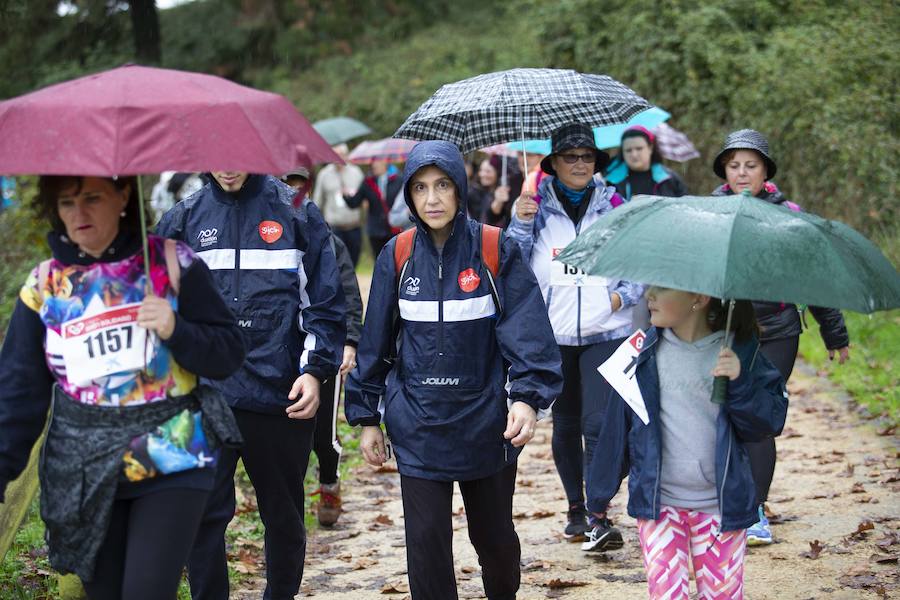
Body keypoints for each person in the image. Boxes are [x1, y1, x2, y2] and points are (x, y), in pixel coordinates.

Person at [0, 175, 246, 599]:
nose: (79, 214)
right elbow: (18, 394)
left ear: (122, 196)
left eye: (92, 198)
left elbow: (227, 354)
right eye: (66, 203)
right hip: (84, 467)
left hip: (171, 454)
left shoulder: (173, 263)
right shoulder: (43, 288)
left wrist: (177, 329)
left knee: (146, 592)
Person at [345, 140, 563, 600]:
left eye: (442, 184)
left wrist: (525, 397)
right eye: (420, 188)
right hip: (419, 425)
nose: (432, 199)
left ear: (460, 188)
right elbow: (375, 345)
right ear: (408, 195)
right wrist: (367, 417)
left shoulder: (494, 248)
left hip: (485, 423)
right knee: (425, 548)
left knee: (495, 543)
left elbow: (527, 332)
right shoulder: (397, 255)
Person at [157, 171, 346, 600]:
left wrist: (314, 372)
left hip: (281, 396)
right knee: (202, 517)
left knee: (282, 516)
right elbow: (160, 308)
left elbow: (325, 303)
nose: (228, 165)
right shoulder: (181, 220)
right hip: (208, 396)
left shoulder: (297, 213)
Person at [586, 286, 788, 598]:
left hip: (721, 507)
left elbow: (767, 423)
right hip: (659, 505)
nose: (648, 296)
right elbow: (615, 430)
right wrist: (598, 496)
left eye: (661, 289)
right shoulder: (639, 353)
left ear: (699, 298)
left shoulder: (738, 351)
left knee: (721, 594)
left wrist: (740, 383)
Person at [507, 123, 644, 548]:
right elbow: (513, 266)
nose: (580, 164)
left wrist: (621, 299)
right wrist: (519, 222)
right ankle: (575, 507)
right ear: (554, 165)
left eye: (587, 157)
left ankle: (600, 509)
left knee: (599, 423)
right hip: (554, 335)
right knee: (565, 424)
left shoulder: (616, 207)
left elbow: (638, 265)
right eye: (571, 157)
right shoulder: (535, 210)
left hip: (606, 331)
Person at [711, 128, 850, 545]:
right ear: (723, 171)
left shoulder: (789, 214)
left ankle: (754, 511)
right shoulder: (710, 212)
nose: (741, 173)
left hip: (776, 332)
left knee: (757, 417)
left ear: (765, 171)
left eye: (750, 165)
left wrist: (834, 333)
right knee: (721, 417)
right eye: (733, 166)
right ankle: (725, 502)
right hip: (722, 332)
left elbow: (815, 276)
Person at [283, 168, 363, 526]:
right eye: (286, 186)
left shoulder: (327, 238)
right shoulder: (265, 236)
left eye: (299, 186)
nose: (293, 193)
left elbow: (347, 292)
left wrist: (349, 341)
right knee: (288, 439)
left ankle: (329, 481)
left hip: (325, 351)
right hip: (283, 353)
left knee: (322, 437)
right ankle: (289, 509)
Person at [312, 143, 365, 265]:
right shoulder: (324, 174)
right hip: (334, 227)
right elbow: (317, 201)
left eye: (340, 155)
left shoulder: (356, 172)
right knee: (335, 262)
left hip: (353, 226)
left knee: (353, 260)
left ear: (346, 156)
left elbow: (364, 197)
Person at [604, 125, 688, 200]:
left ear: (650, 148)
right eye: (628, 150)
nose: (634, 154)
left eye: (639, 148)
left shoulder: (669, 179)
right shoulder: (611, 182)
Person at [344, 159, 403, 258]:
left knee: (395, 260)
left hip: (395, 229)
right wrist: (346, 196)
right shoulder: (368, 182)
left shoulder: (398, 179)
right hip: (376, 231)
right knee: (379, 261)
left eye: (377, 161)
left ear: (385, 162)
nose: (374, 165)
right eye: (373, 162)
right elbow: (354, 203)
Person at [466, 155, 520, 228]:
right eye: (481, 170)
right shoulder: (474, 192)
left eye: (488, 171)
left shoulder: (506, 190)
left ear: (497, 173)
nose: (482, 174)